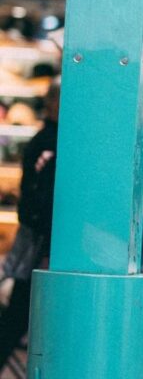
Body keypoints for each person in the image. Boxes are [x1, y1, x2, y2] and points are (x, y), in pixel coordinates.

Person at [0, 80, 60, 366]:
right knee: (19, 316)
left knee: (20, 316)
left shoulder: (49, 138)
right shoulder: (50, 142)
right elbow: (39, 199)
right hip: (39, 243)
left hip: (39, 240)